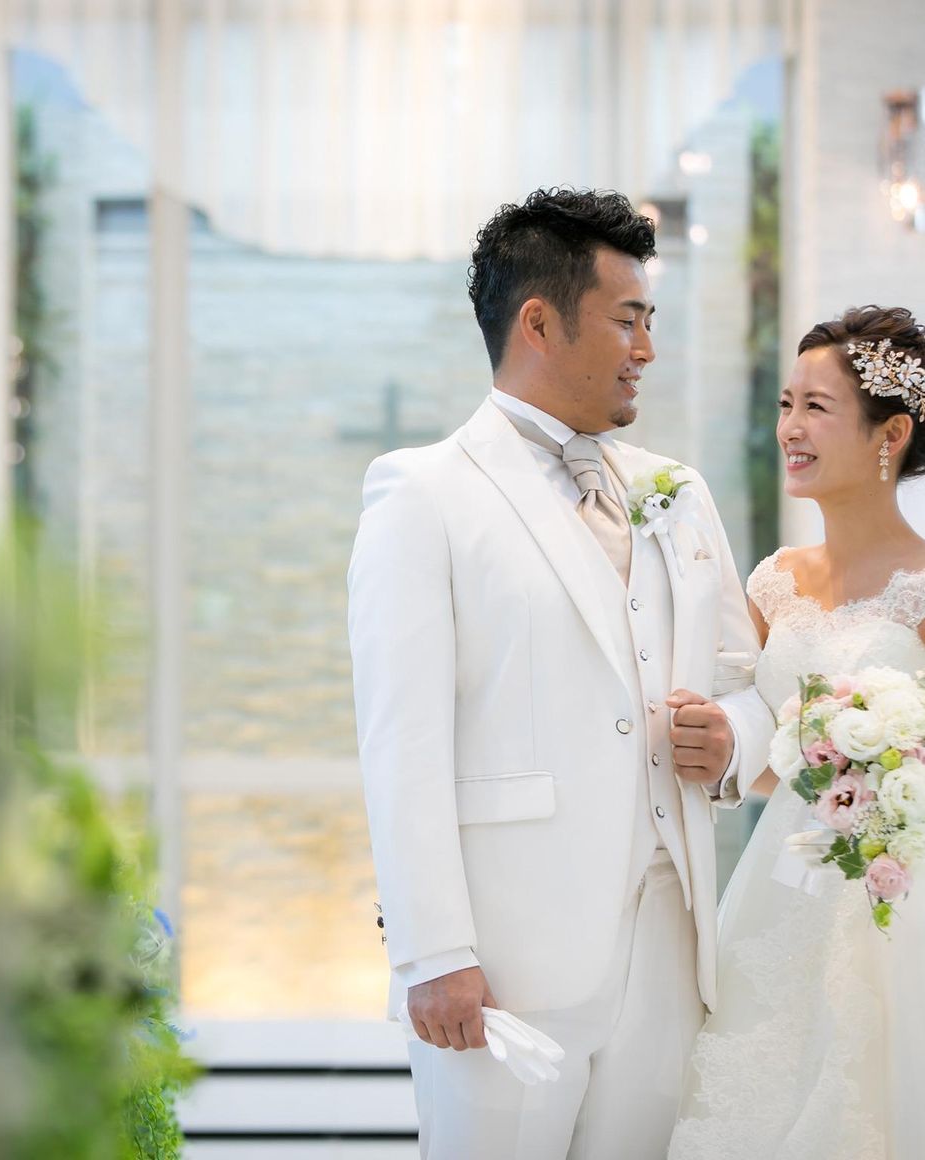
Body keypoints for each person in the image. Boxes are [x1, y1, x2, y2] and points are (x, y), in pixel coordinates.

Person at [347, 187, 774, 1160]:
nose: (646, 349)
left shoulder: (676, 492)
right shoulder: (423, 494)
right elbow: (400, 740)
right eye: (628, 320)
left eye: (650, 321)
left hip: (667, 944)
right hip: (504, 962)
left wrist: (733, 736)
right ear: (538, 323)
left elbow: (744, 681)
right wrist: (432, 951)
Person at [671, 305, 925, 1160]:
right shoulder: (773, 584)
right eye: (786, 404)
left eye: (815, 407)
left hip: (897, 900)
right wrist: (724, 745)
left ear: (891, 433)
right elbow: (764, 757)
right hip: (780, 887)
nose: (789, 428)